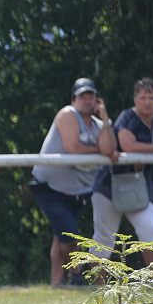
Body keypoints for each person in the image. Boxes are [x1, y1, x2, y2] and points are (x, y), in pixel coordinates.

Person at [31, 78, 117, 286]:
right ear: (74, 99)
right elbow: (74, 149)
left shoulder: (99, 125)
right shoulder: (67, 114)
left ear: (98, 100)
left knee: (60, 236)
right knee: (69, 235)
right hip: (49, 186)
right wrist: (101, 151)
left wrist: (105, 118)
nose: (87, 101)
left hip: (78, 191)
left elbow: (111, 147)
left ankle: (56, 283)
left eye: (91, 97)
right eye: (82, 97)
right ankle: (77, 274)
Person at [91, 78, 153, 266]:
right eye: (142, 97)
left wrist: (149, 151)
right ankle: (96, 285)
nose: (147, 102)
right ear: (135, 99)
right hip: (109, 185)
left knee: (152, 235)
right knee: (104, 239)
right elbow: (128, 146)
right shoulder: (127, 117)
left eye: (151, 97)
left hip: (141, 187)